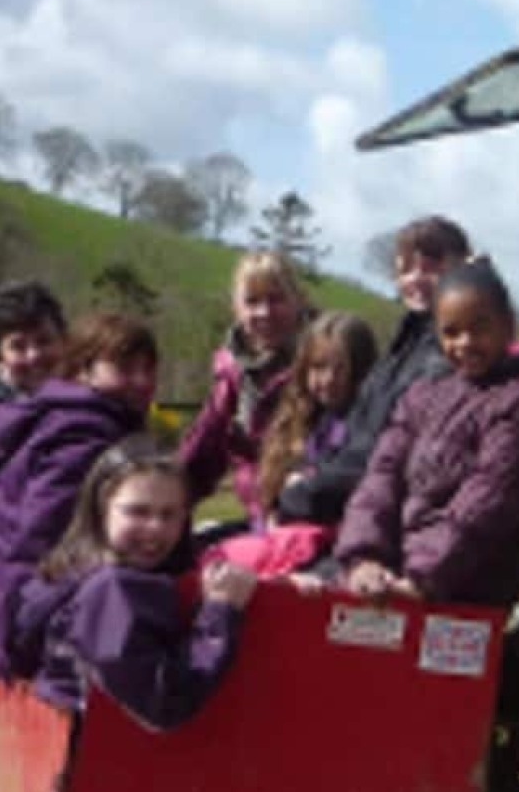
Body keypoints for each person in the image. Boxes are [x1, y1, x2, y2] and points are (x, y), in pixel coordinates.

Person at [333, 261, 519, 605]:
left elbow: (488, 499)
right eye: (451, 332)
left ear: (508, 324)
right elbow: (381, 477)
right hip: (392, 573)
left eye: (480, 327)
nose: (465, 342)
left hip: (460, 585)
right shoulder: (422, 397)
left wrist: (423, 578)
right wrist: (364, 558)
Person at [3, 438, 254, 730]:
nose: (155, 528)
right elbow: (163, 703)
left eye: (169, 514)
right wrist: (219, 614)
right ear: (102, 509)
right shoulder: (111, 591)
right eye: (138, 512)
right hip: (98, 760)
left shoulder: (67, 574)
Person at [273, 216, 470, 527]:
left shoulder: (442, 359)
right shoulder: (402, 349)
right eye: (405, 269)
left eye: (430, 266)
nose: (415, 279)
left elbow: (383, 455)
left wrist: (301, 496)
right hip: (346, 499)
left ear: (461, 267)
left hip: (379, 516)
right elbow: (356, 434)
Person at [200, 312, 379, 576]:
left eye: (340, 368)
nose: (328, 379)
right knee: (202, 543)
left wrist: (296, 492)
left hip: (322, 539)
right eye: (318, 368)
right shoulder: (307, 419)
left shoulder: (361, 425)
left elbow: (335, 487)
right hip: (282, 528)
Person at [0, 312, 158, 606]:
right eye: (124, 368)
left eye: (148, 368)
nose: (141, 380)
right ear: (84, 371)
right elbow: (38, 534)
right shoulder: (85, 435)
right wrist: (15, 624)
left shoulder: (69, 415)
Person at [181, 251, 311, 528]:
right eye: (252, 302)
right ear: (236, 309)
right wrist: (167, 498)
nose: (264, 312)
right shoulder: (233, 374)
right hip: (259, 516)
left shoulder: (321, 361)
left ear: (298, 301)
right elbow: (204, 450)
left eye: (275, 299)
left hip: (311, 511)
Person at [0, 281, 67, 403]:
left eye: (44, 341)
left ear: (64, 341)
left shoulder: (95, 401)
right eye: (18, 346)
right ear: (0, 356)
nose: (34, 355)